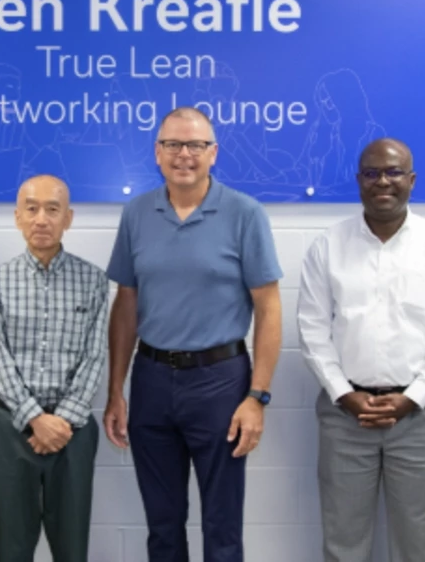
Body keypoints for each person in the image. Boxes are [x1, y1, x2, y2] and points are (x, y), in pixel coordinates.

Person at [104, 107, 283, 562]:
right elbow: (126, 303)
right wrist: (116, 391)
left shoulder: (245, 213)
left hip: (221, 382)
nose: (184, 155)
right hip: (151, 379)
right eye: (172, 145)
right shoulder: (138, 213)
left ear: (213, 153)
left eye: (196, 145)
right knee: (162, 526)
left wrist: (257, 396)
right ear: (157, 153)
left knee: (222, 527)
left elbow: (269, 306)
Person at [297, 138, 425, 562]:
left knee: (417, 539)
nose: (383, 182)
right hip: (345, 417)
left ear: (411, 180)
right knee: (343, 538)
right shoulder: (328, 245)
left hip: (419, 414)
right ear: (359, 181)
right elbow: (312, 329)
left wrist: (412, 398)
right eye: (372, 173)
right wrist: (345, 394)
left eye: (393, 172)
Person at [0, 174, 108, 562]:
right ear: (17, 216)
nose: (41, 219)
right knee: (13, 544)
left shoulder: (94, 281)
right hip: (12, 427)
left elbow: (95, 354)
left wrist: (62, 421)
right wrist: (35, 419)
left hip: (74, 430)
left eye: (52, 210)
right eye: (31, 209)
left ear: (68, 218)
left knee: (71, 546)